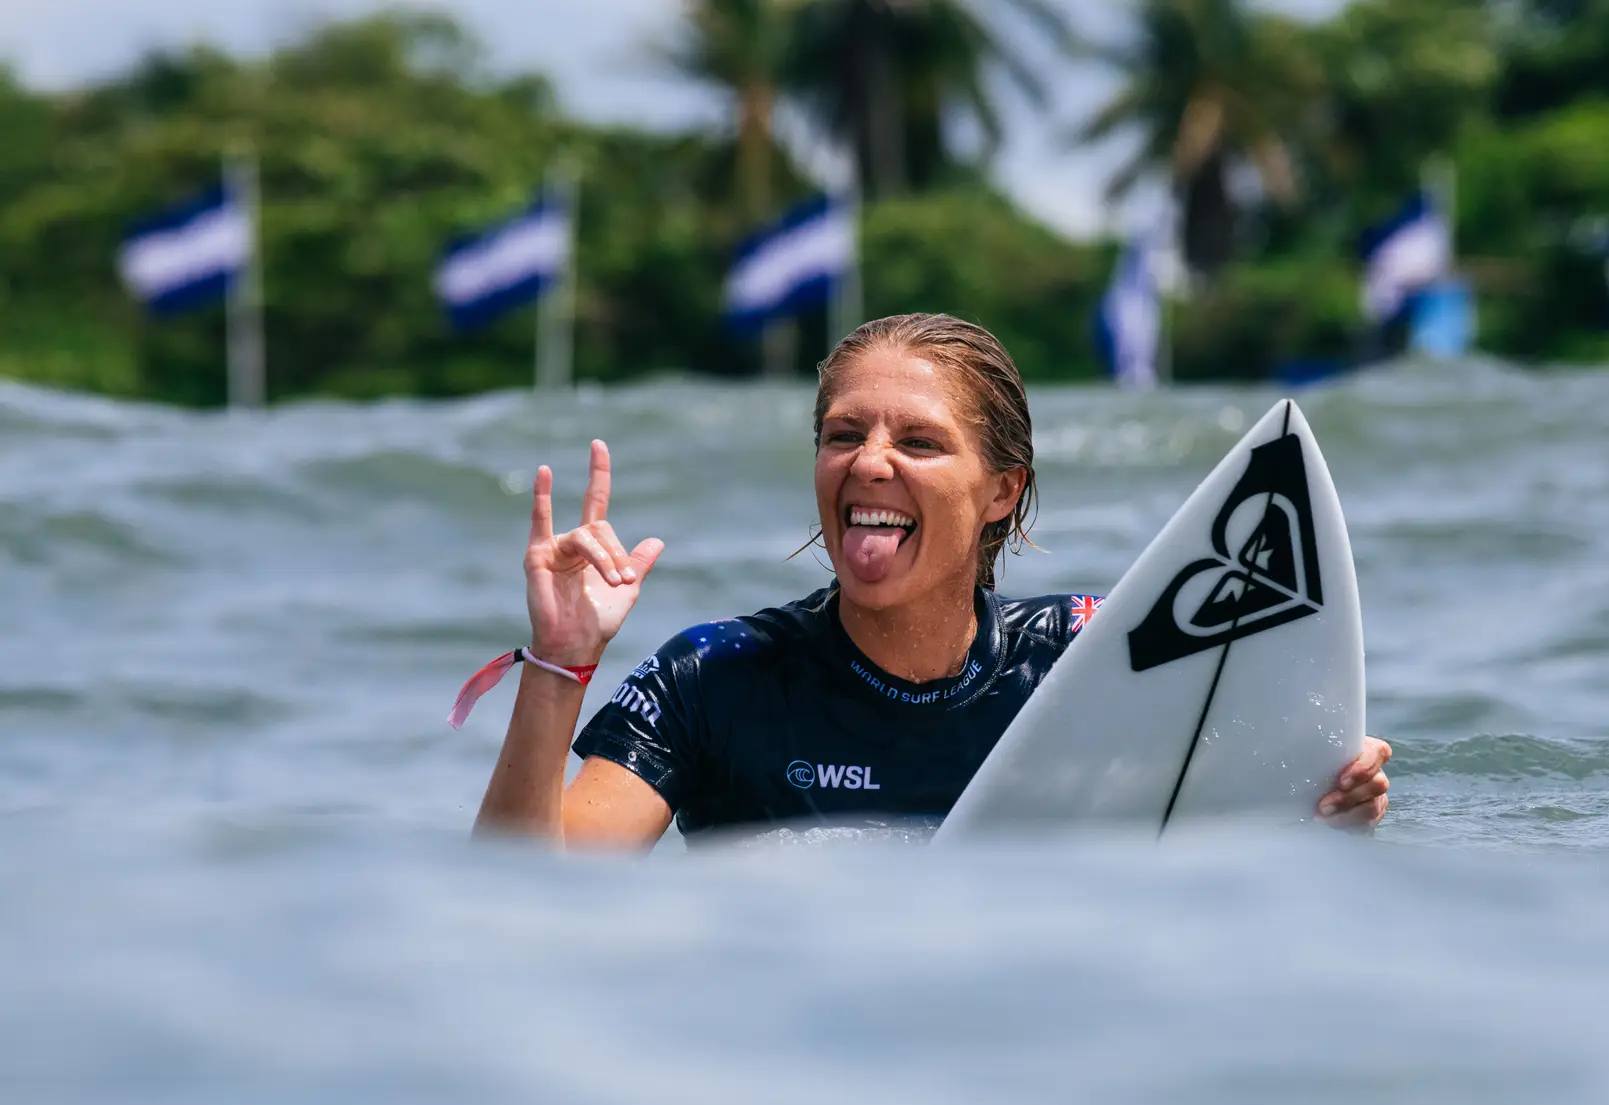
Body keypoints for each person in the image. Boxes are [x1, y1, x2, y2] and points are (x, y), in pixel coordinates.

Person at [472, 313, 1390, 848]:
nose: (869, 462)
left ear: (1001, 491)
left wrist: (1325, 813)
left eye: (917, 441)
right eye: (843, 435)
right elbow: (528, 904)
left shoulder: (1088, 662)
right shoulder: (717, 679)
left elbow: (1227, 847)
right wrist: (559, 665)